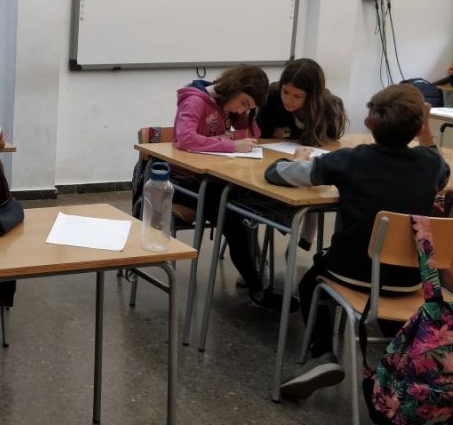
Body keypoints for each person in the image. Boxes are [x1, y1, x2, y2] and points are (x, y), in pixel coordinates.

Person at [266, 84, 449, 400]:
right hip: (411, 282)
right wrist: (425, 133)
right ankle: (399, 357)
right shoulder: (430, 165)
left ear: (369, 122)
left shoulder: (350, 159)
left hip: (350, 271)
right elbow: (441, 170)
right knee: (381, 287)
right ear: (420, 124)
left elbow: (282, 174)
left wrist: (284, 162)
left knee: (310, 282)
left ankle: (322, 353)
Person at [172, 65, 296, 312]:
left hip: (213, 180)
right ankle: (257, 288)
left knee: (248, 206)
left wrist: (245, 117)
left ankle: (256, 272)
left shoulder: (228, 108)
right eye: (243, 103)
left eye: (248, 106)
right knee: (234, 219)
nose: (241, 109)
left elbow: (252, 136)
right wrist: (230, 145)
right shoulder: (195, 101)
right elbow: (185, 138)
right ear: (234, 88)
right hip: (184, 183)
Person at [257, 58, 347, 146]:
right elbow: (262, 132)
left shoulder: (331, 107)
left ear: (312, 97)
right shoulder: (272, 97)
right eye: (285, 91)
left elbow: (329, 141)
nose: (288, 100)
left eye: (297, 96)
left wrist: (286, 132)